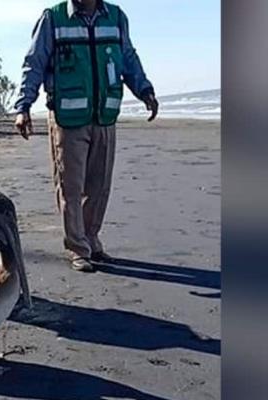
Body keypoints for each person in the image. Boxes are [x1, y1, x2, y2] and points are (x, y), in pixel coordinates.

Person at [13, 0, 159, 272]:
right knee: (70, 185)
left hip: (104, 115)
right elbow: (34, 62)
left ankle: (91, 239)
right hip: (68, 119)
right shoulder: (53, 18)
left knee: (99, 185)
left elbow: (128, 57)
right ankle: (78, 247)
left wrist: (144, 90)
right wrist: (23, 107)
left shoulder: (116, 17)